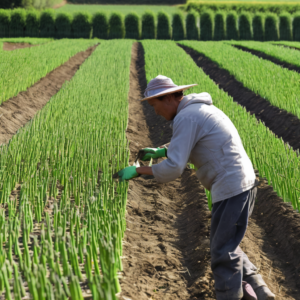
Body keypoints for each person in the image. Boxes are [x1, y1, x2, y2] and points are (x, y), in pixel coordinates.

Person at [117, 75, 275, 300]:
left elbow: (174, 168)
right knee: (224, 243)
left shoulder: (188, 117)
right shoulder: (195, 112)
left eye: (155, 105)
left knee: (223, 250)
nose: (155, 112)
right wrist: (162, 150)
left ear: (169, 98)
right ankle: (259, 290)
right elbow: (191, 140)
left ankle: (231, 296)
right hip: (235, 183)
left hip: (232, 184)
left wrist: (138, 171)